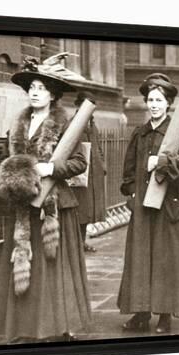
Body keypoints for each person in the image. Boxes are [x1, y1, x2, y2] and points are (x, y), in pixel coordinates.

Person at [0, 58, 92, 344]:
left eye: (41, 88)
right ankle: (25, 326)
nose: (35, 92)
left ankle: (58, 325)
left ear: (53, 94)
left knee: (53, 268)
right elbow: (8, 159)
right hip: (23, 204)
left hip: (53, 206)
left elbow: (80, 162)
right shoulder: (19, 123)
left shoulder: (64, 123)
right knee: (22, 262)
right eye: (32, 87)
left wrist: (51, 169)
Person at [117, 73, 179, 334]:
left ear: (168, 102)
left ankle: (164, 316)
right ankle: (140, 313)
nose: (154, 105)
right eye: (150, 100)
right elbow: (127, 171)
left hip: (168, 207)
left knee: (165, 260)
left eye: (159, 100)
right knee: (140, 259)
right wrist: (132, 194)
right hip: (142, 209)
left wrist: (159, 163)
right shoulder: (140, 133)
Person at [71, 91, 107, 252]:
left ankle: (82, 241)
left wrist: (102, 164)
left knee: (88, 212)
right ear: (78, 106)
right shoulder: (74, 124)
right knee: (80, 211)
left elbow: (98, 147)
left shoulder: (92, 125)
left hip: (93, 174)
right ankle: (76, 243)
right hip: (79, 174)